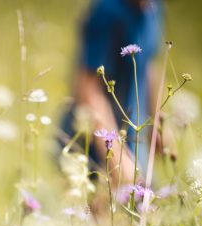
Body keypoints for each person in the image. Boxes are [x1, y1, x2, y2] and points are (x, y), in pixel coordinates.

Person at [58, 0, 173, 186]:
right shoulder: (106, 11)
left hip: (133, 131)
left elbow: (149, 65)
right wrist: (116, 155)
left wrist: (158, 122)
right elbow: (88, 87)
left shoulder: (154, 7)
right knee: (97, 208)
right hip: (94, 140)